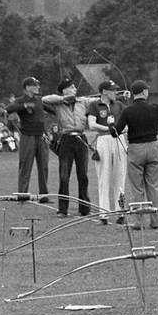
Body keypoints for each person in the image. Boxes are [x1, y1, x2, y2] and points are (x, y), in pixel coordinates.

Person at [115, 80, 158, 229]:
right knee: (153, 186)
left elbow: (116, 131)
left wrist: (111, 125)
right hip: (153, 148)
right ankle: (156, 221)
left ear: (133, 93)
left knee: (137, 187)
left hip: (135, 150)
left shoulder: (128, 111)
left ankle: (139, 222)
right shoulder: (155, 108)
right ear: (145, 92)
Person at [41, 79, 99, 215]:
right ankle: (63, 209)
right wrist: (63, 98)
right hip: (66, 139)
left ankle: (84, 209)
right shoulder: (58, 103)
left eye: (74, 87)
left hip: (81, 138)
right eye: (71, 87)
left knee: (83, 175)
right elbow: (44, 99)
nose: (74, 89)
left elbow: (98, 100)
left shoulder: (83, 101)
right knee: (64, 175)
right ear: (64, 90)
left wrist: (119, 96)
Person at [87, 80, 128, 223]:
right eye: (112, 90)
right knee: (104, 177)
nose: (115, 93)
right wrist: (108, 128)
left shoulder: (119, 105)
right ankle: (103, 214)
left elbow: (127, 124)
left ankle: (121, 212)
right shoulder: (94, 105)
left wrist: (118, 129)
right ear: (104, 91)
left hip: (119, 139)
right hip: (103, 140)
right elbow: (91, 124)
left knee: (120, 176)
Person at [10, 77, 50, 202]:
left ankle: (44, 195)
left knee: (43, 166)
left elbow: (52, 110)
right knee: (25, 165)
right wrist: (25, 105)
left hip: (41, 136)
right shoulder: (20, 100)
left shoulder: (39, 100)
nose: (38, 87)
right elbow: (9, 108)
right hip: (28, 136)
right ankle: (22, 195)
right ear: (28, 87)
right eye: (35, 85)